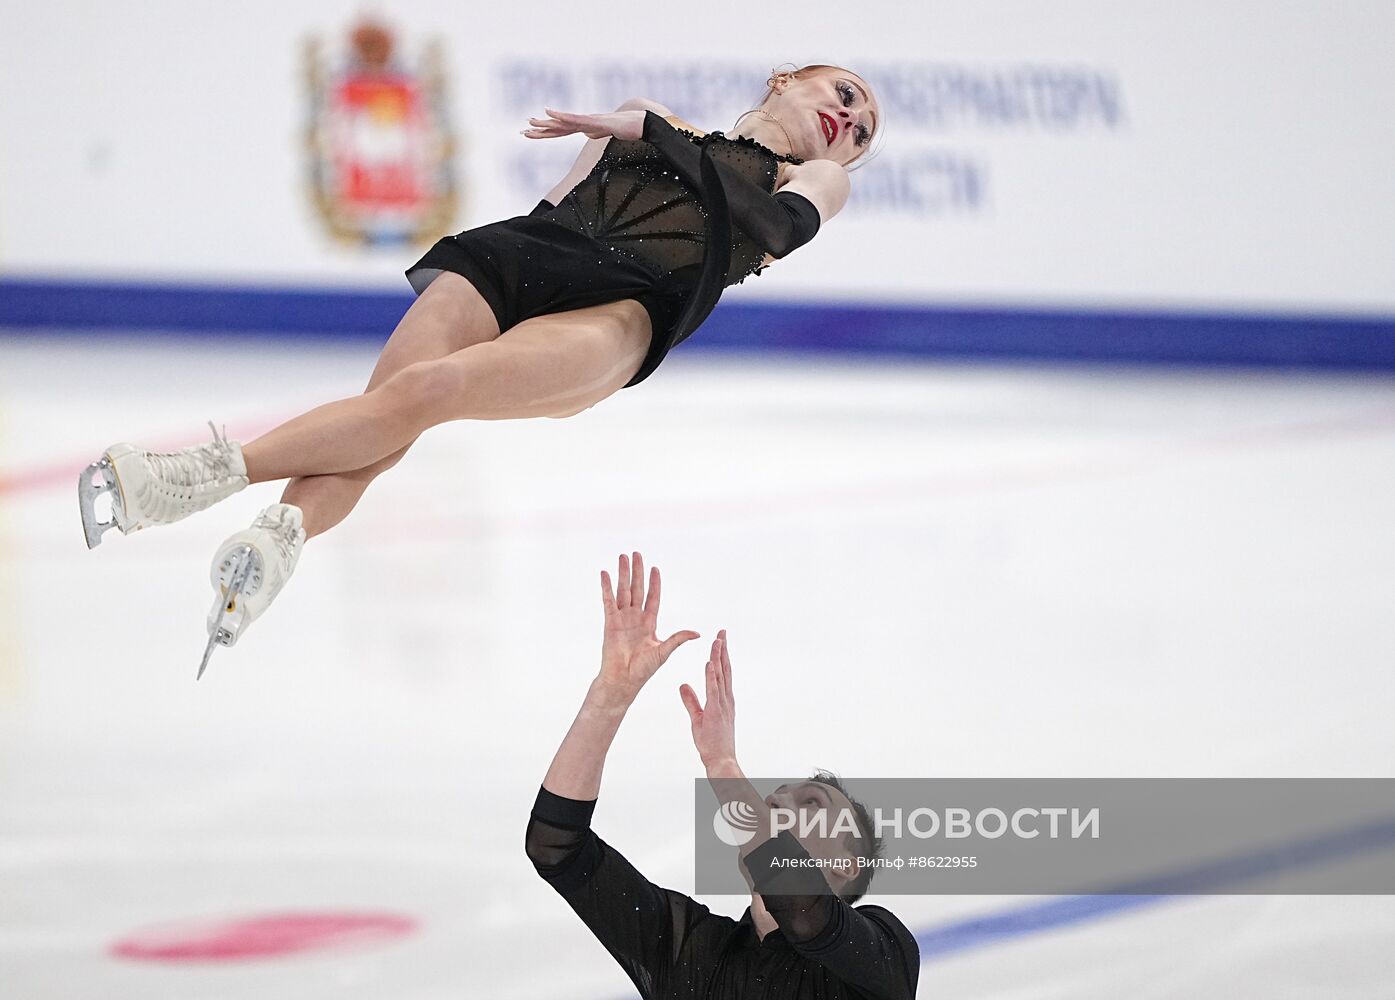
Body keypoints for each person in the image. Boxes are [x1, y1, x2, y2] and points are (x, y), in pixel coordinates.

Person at [76, 65, 881, 664]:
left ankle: (183, 480)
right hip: (523, 255)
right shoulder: (644, 113)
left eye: (864, 128)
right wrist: (637, 130)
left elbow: (773, 228)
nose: (850, 119)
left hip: (623, 309)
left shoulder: (812, 179)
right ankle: (279, 541)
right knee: (387, 406)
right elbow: (562, 200)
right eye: (844, 94)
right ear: (787, 80)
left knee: (426, 392)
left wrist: (651, 135)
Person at [526, 552, 919, 999]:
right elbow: (556, 847)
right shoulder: (694, 954)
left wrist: (723, 766)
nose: (776, 803)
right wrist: (610, 696)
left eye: (811, 804)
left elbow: (805, 911)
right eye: (777, 797)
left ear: (845, 866)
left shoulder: (883, 958)